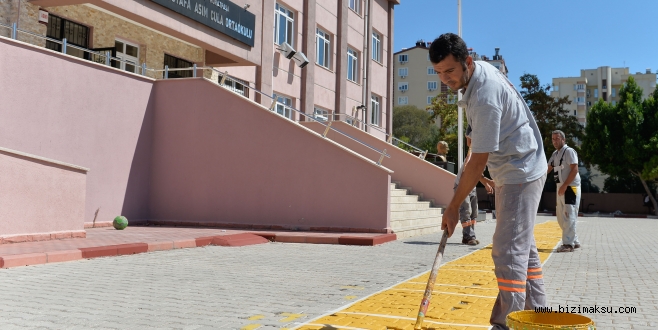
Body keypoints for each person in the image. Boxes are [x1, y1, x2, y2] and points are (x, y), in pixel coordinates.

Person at [430, 33, 548, 330]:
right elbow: (475, 150)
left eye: (450, 71)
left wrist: (454, 206)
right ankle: (538, 316)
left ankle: (506, 324)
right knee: (523, 249)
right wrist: (457, 196)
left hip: (519, 172)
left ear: (466, 62)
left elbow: (478, 160)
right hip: (520, 168)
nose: (445, 79)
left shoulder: (484, 95)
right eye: (439, 73)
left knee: (508, 251)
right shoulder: (478, 74)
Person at [454, 133, 494, 245]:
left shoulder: (485, 156)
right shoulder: (473, 153)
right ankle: (470, 236)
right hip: (462, 185)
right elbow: (471, 170)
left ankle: (466, 237)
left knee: (473, 213)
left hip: (471, 186)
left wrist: (486, 183)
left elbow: (478, 174)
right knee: (466, 211)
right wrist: (488, 182)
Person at [546, 130, 581, 253]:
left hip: (570, 187)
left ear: (563, 139)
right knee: (561, 216)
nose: (555, 141)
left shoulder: (569, 152)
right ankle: (574, 240)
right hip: (560, 187)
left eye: (557, 138)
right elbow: (547, 169)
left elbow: (575, 169)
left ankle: (568, 244)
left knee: (569, 215)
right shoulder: (555, 154)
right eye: (553, 139)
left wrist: (565, 185)